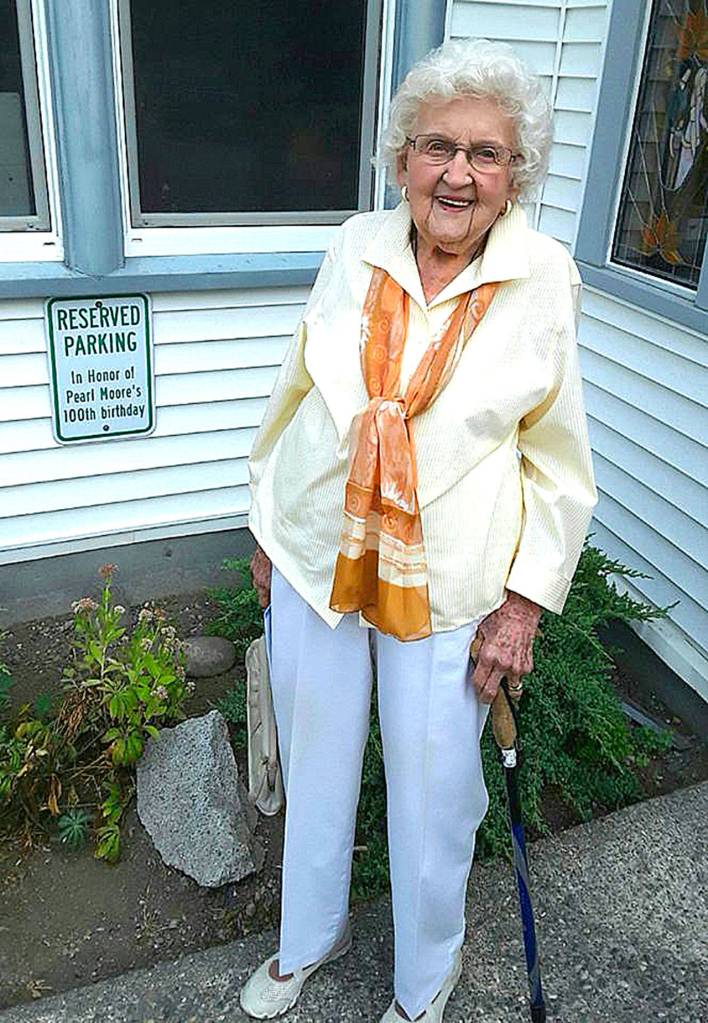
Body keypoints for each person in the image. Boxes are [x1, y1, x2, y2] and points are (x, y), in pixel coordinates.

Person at [239, 37, 597, 1023]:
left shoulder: (542, 279)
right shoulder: (354, 246)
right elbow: (298, 393)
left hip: (450, 585)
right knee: (316, 759)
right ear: (402, 158)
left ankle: (425, 976)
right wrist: (268, 525)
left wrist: (523, 604)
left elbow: (557, 461)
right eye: (437, 146)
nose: (458, 173)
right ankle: (310, 936)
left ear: (514, 174)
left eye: (486, 154)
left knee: (435, 797)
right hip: (321, 557)